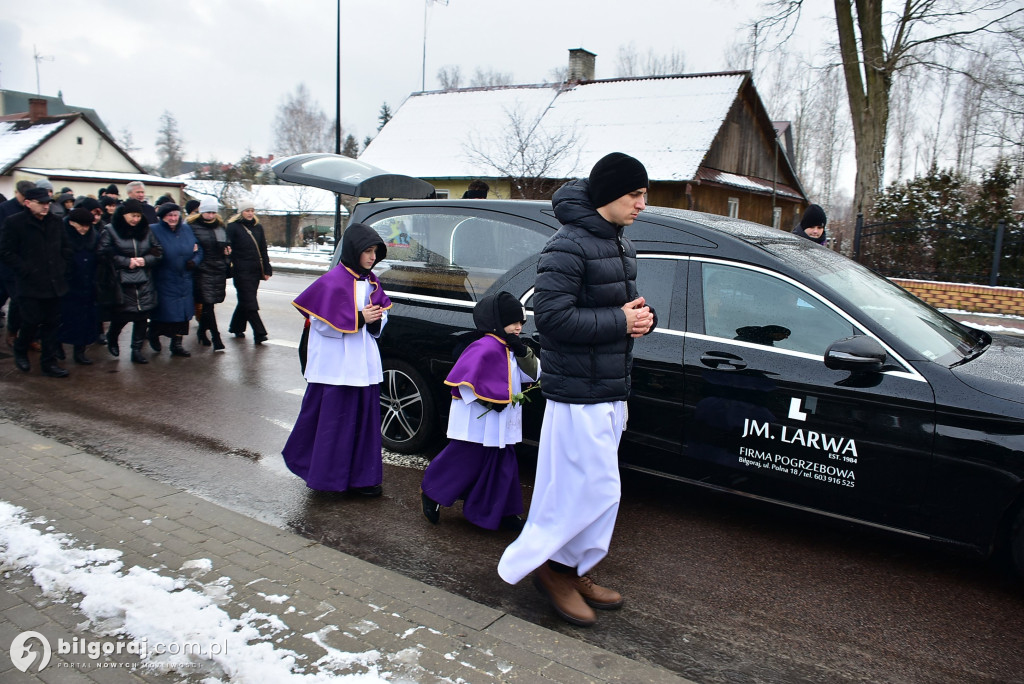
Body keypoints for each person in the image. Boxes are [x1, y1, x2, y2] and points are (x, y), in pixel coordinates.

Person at [496, 152, 656, 628]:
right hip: (577, 393)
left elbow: (616, 309)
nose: (642, 204)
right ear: (610, 194)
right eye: (636, 195)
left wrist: (641, 319)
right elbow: (551, 319)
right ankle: (546, 568)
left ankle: (574, 567)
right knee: (587, 490)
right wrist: (620, 321)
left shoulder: (620, 243)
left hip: (611, 388)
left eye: (644, 195)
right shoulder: (567, 245)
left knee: (598, 492)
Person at [281, 222, 391, 496]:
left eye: (375, 252)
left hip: (363, 366)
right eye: (367, 251)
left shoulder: (373, 282)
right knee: (334, 425)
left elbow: (381, 315)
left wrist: (376, 319)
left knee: (363, 426)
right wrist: (359, 318)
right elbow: (319, 324)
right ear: (354, 250)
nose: (371, 257)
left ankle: (362, 479)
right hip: (336, 368)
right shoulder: (330, 282)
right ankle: (328, 480)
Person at [420, 291, 539, 531]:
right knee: (465, 457)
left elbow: (535, 374)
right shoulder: (482, 347)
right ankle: (432, 492)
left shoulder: (514, 347)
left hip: (503, 417)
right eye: (513, 322)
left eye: (521, 323)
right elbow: (461, 381)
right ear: (496, 322)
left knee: (502, 461)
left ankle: (501, 512)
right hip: (477, 418)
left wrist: (522, 351)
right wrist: (487, 401)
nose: (518, 327)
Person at [0, 187, 73, 377]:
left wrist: (62, 266)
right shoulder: (15, 222)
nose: (45, 207)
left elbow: (66, 247)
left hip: (54, 281)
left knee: (51, 324)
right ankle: (20, 348)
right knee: (31, 321)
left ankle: (49, 363)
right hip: (29, 283)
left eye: (47, 203)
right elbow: (6, 251)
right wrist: (25, 269)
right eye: (40, 203)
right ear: (27, 203)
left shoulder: (56, 222)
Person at [97, 198, 162, 364]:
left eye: (138, 216)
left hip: (144, 279)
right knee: (123, 315)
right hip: (121, 282)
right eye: (132, 216)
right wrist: (127, 262)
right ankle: (113, 336)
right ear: (124, 215)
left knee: (142, 316)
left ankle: (136, 350)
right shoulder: (111, 230)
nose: (136, 220)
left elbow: (158, 251)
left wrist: (145, 260)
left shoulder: (146, 230)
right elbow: (103, 253)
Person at [147, 203, 202, 358]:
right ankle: (153, 334)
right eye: (169, 215)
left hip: (185, 279)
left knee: (184, 316)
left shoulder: (186, 229)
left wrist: (195, 261)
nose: (173, 218)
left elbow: (199, 250)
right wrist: (153, 254)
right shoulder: (153, 230)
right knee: (164, 314)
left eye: (175, 215)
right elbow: (147, 250)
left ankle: (176, 345)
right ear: (162, 217)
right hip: (164, 279)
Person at [57, 208, 101, 365]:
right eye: (81, 225)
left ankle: (80, 351)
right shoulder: (62, 235)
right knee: (63, 318)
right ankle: (57, 345)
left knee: (85, 319)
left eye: (87, 225)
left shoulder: (93, 236)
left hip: (87, 282)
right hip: (67, 283)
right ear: (71, 222)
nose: (84, 229)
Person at [225, 199, 272, 344]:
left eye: (252, 210)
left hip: (255, 270)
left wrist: (267, 268)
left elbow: (263, 249)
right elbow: (227, 248)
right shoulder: (233, 227)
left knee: (246, 300)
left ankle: (236, 327)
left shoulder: (258, 227)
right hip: (240, 270)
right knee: (250, 301)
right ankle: (259, 333)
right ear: (241, 212)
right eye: (247, 211)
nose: (250, 213)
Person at [188, 200, 231, 351]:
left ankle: (201, 332)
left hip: (218, 270)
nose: (211, 215)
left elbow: (226, 245)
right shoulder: (192, 227)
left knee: (210, 304)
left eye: (213, 212)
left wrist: (227, 255)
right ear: (202, 212)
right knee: (207, 304)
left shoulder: (220, 227)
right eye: (208, 212)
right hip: (202, 270)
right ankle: (216, 337)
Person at [0, 180, 37, 345]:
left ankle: (30, 336)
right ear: (17, 193)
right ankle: (13, 332)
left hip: (30, 263)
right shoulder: (5, 209)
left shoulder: (34, 209)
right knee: (17, 299)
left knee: (29, 301)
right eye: (23, 196)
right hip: (9, 263)